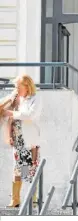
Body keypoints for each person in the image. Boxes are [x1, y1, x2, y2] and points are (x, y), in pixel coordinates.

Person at [1, 74, 42, 208]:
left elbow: (30, 115)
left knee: (28, 170)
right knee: (17, 170)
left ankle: (32, 200)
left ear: (27, 86)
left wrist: (11, 113)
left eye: (18, 86)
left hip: (29, 140)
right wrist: (9, 135)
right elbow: (6, 113)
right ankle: (15, 200)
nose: (16, 89)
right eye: (15, 86)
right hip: (18, 141)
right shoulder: (16, 99)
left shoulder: (35, 99)